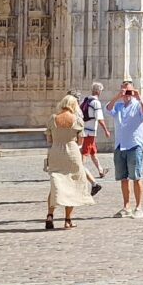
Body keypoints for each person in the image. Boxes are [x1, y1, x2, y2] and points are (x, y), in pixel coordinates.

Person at [42, 93, 94, 230]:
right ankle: (67, 220)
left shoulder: (53, 119)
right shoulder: (77, 121)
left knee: (55, 185)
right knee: (72, 185)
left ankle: (49, 216)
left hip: (55, 153)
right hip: (72, 152)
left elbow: (49, 140)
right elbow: (80, 141)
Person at [108, 79, 143, 219]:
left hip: (134, 145)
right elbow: (108, 109)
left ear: (133, 92)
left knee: (136, 177)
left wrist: (139, 98)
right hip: (120, 145)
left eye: (129, 91)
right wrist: (117, 96)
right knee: (123, 178)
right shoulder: (119, 106)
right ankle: (126, 206)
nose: (127, 94)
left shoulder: (138, 105)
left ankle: (139, 207)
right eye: (124, 91)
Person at [78, 82, 106, 182]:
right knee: (85, 153)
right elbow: (99, 118)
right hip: (90, 132)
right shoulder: (96, 103)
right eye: (101, 90)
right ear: (98, 91)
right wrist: (106, 130)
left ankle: (101, 170)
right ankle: (79, 171)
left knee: (93, 152)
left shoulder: (85, 100)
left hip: (85, 129)